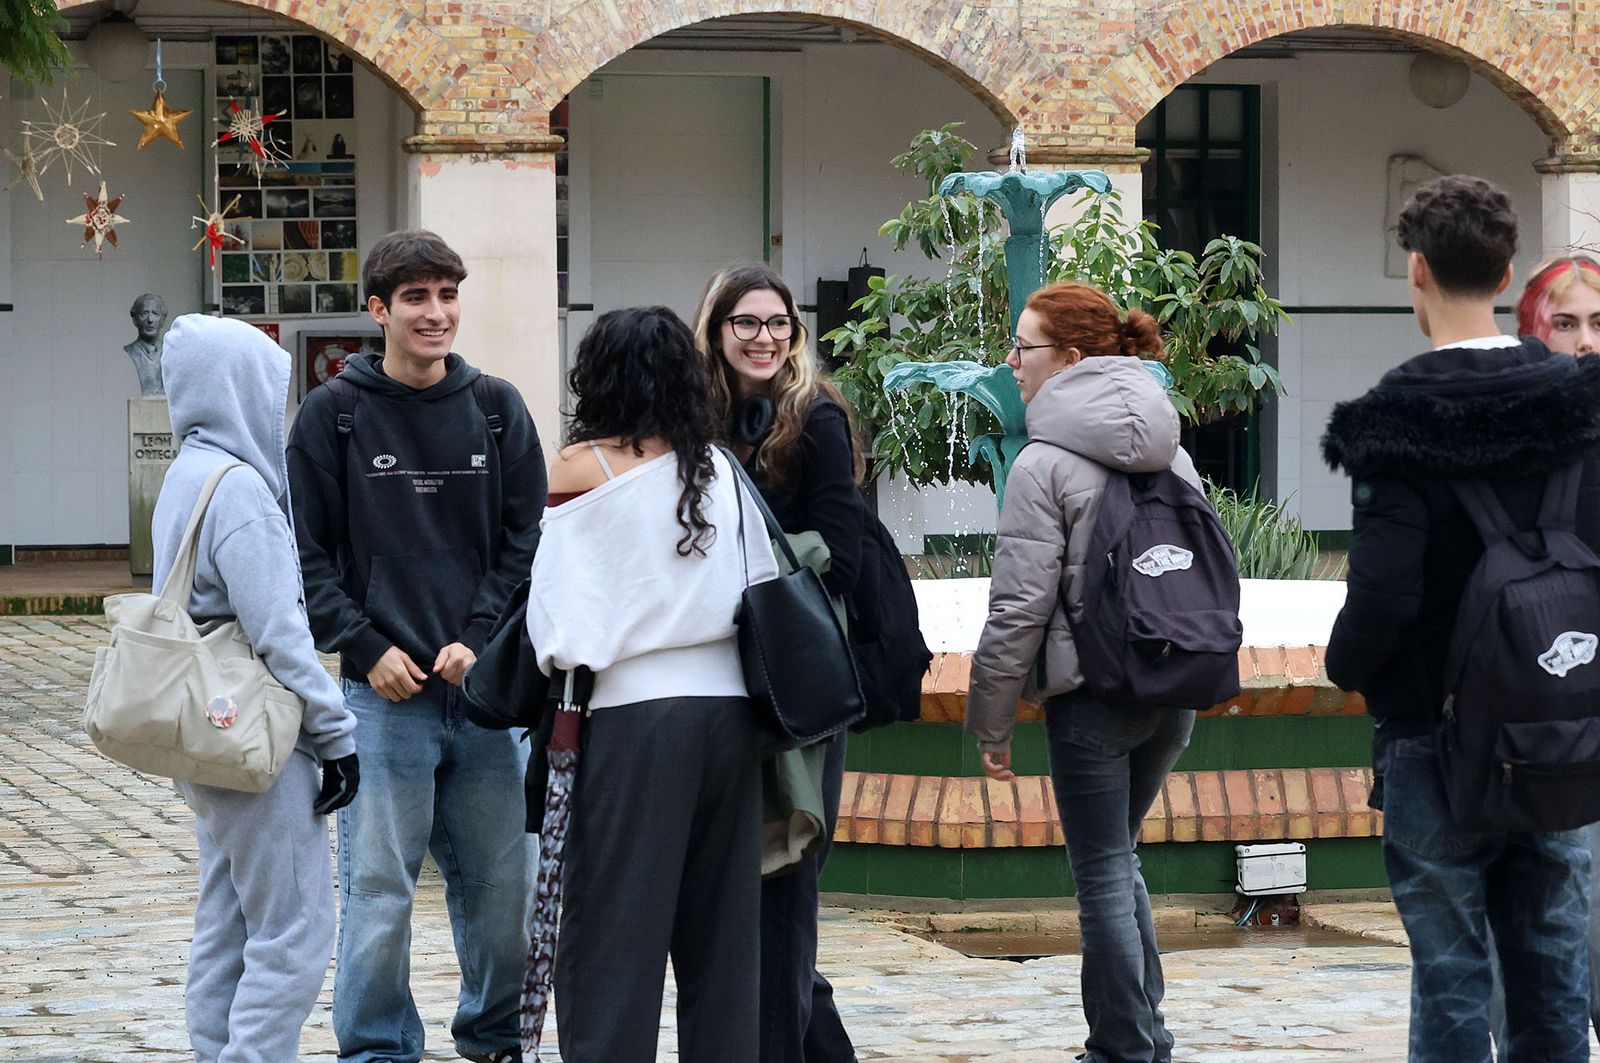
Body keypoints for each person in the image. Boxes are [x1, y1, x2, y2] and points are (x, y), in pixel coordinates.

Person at [1323, 175, 1599, 1063]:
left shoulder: (1395, 421)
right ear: (1510, 271)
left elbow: (1386, 597)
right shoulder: (1583, 405)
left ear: (1416, 271)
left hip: (1433, 739)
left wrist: (1348, 667)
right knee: (1553, 964)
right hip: (1560, 726)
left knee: (1450, 973)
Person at [287, 230, 546, 1063]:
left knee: (505, 888)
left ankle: (495, 1034)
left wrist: (479, 640)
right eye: (416, 298)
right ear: (379, 310)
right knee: (377, 889)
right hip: (381, 698)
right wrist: (364, 648)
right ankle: (376, 1046)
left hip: (484, 697)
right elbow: (308, 554)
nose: (436, 313)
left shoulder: (498, 408)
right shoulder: (334, 415)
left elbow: (524, 541)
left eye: (447, 294)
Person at [528, 305, 779, 1061]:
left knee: (611, 934)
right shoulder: (722, 471)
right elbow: (760, 585)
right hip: (730, 715)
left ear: (597, 376)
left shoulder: (580, 469)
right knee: (723, 941)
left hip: (635, 716)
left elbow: (556, 622)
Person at [965, 281, 1198, 1063]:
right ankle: (1141, 1035)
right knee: (1119, 858)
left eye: (1023, 347)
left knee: (1100, 868)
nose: (1012, 361)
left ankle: (1125, 1046)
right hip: (1172, 692)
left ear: (1068, 359)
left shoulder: (1042, 462)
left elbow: (1018, 608)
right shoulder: (1172, 443)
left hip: (1093, 697)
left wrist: (989, 721)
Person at [152, 313, 360, 1061]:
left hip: (201, 736)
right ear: (239, 390)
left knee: (228, 923)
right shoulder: (239, 492)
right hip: (255, 738)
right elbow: (281, 634)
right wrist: (335, 735)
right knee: (295, 932)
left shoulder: (185, 474)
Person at [692, 263, 866, 1063]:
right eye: (746, 323)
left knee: (789, 878)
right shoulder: (696, 414)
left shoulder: (815, 416)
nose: (764, 338)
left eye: (778, 324)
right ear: (717, 329)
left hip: (797, 679)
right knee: (757, 893)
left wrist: (747, 571)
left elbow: (844, 549)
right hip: (722, 677)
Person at [125, 293, 168, 397]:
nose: (150, 319)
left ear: (163, 319)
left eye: (155, 313)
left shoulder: (171, 354)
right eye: (144, 313)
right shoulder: (130, 352)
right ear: (135, 319)